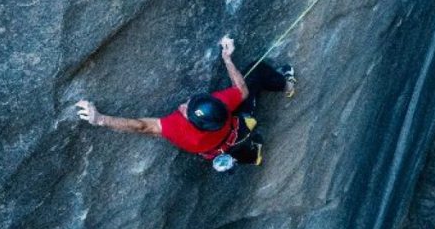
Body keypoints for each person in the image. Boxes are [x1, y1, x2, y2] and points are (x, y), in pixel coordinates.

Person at [75, 35, 294, 167]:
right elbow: (243, 91)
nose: (182, 105)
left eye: (186, 109)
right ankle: (286, 85)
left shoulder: (178, 129)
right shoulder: (221, 104)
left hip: (213, 148)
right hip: (232, 132)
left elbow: (141, 126)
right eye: (189, 105)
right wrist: (227, 59)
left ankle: (252, 155)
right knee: (256, 72)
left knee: (229, 147)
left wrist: (100, 119)